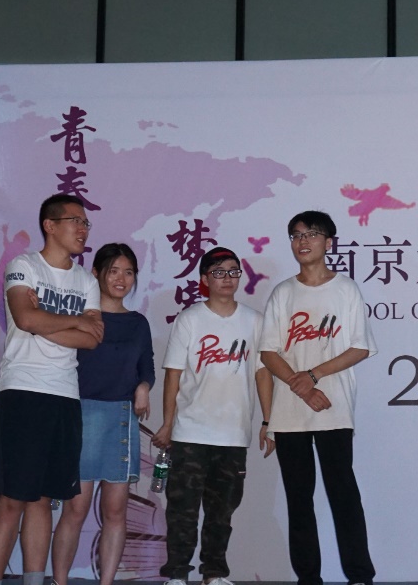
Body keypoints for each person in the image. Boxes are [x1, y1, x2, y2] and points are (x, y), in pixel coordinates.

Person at [0, 194, 104, 585]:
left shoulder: (87, 280)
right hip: (24, 390)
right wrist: (74, 320)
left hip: (65, 394)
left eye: (86, 223)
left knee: (43, 498)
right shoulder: (24, 266)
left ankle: (34, 580)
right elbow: (25, 318)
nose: (83, 229)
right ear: (50, 225)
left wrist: (47, 319)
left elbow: (92, 338)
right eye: (75, 221)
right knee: (12, 498)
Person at [260, 210, 378, 585]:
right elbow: (268, 352)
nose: (303, 241)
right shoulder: (283, 293)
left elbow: (360, 347)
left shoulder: (346, 290)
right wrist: (302, 387)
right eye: (296, 235)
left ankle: (359, 576)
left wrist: (314, 376)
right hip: (289, 411)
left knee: (344, 494)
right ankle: (308, 578)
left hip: (334, 407)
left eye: (311, 234)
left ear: (329, 242)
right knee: (299, 499)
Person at [153, 246, 275, 585]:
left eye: (233, 271)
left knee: (222, 512)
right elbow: (173, 375)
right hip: (190, 433)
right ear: (205, 279)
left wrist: (269, 421)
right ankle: (177, 574)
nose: (227, 278)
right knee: (182, 510)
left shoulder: (255, 321)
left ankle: (214, 574)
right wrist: (168, 423)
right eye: (218, 272)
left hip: (233, 434)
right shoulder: (190, 319)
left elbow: (262, 373)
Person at [52, 243, 155, 585]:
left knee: (115, 512)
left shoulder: (138, 323)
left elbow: (147, 367)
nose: (121, 279)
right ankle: (59, 581)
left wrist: (144, 386)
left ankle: (107, 582)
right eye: (114, 271)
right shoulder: (81, 316)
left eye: (129, 272)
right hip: (82, 415)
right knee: (75, 509)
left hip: (121, 419)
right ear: (95, 273)